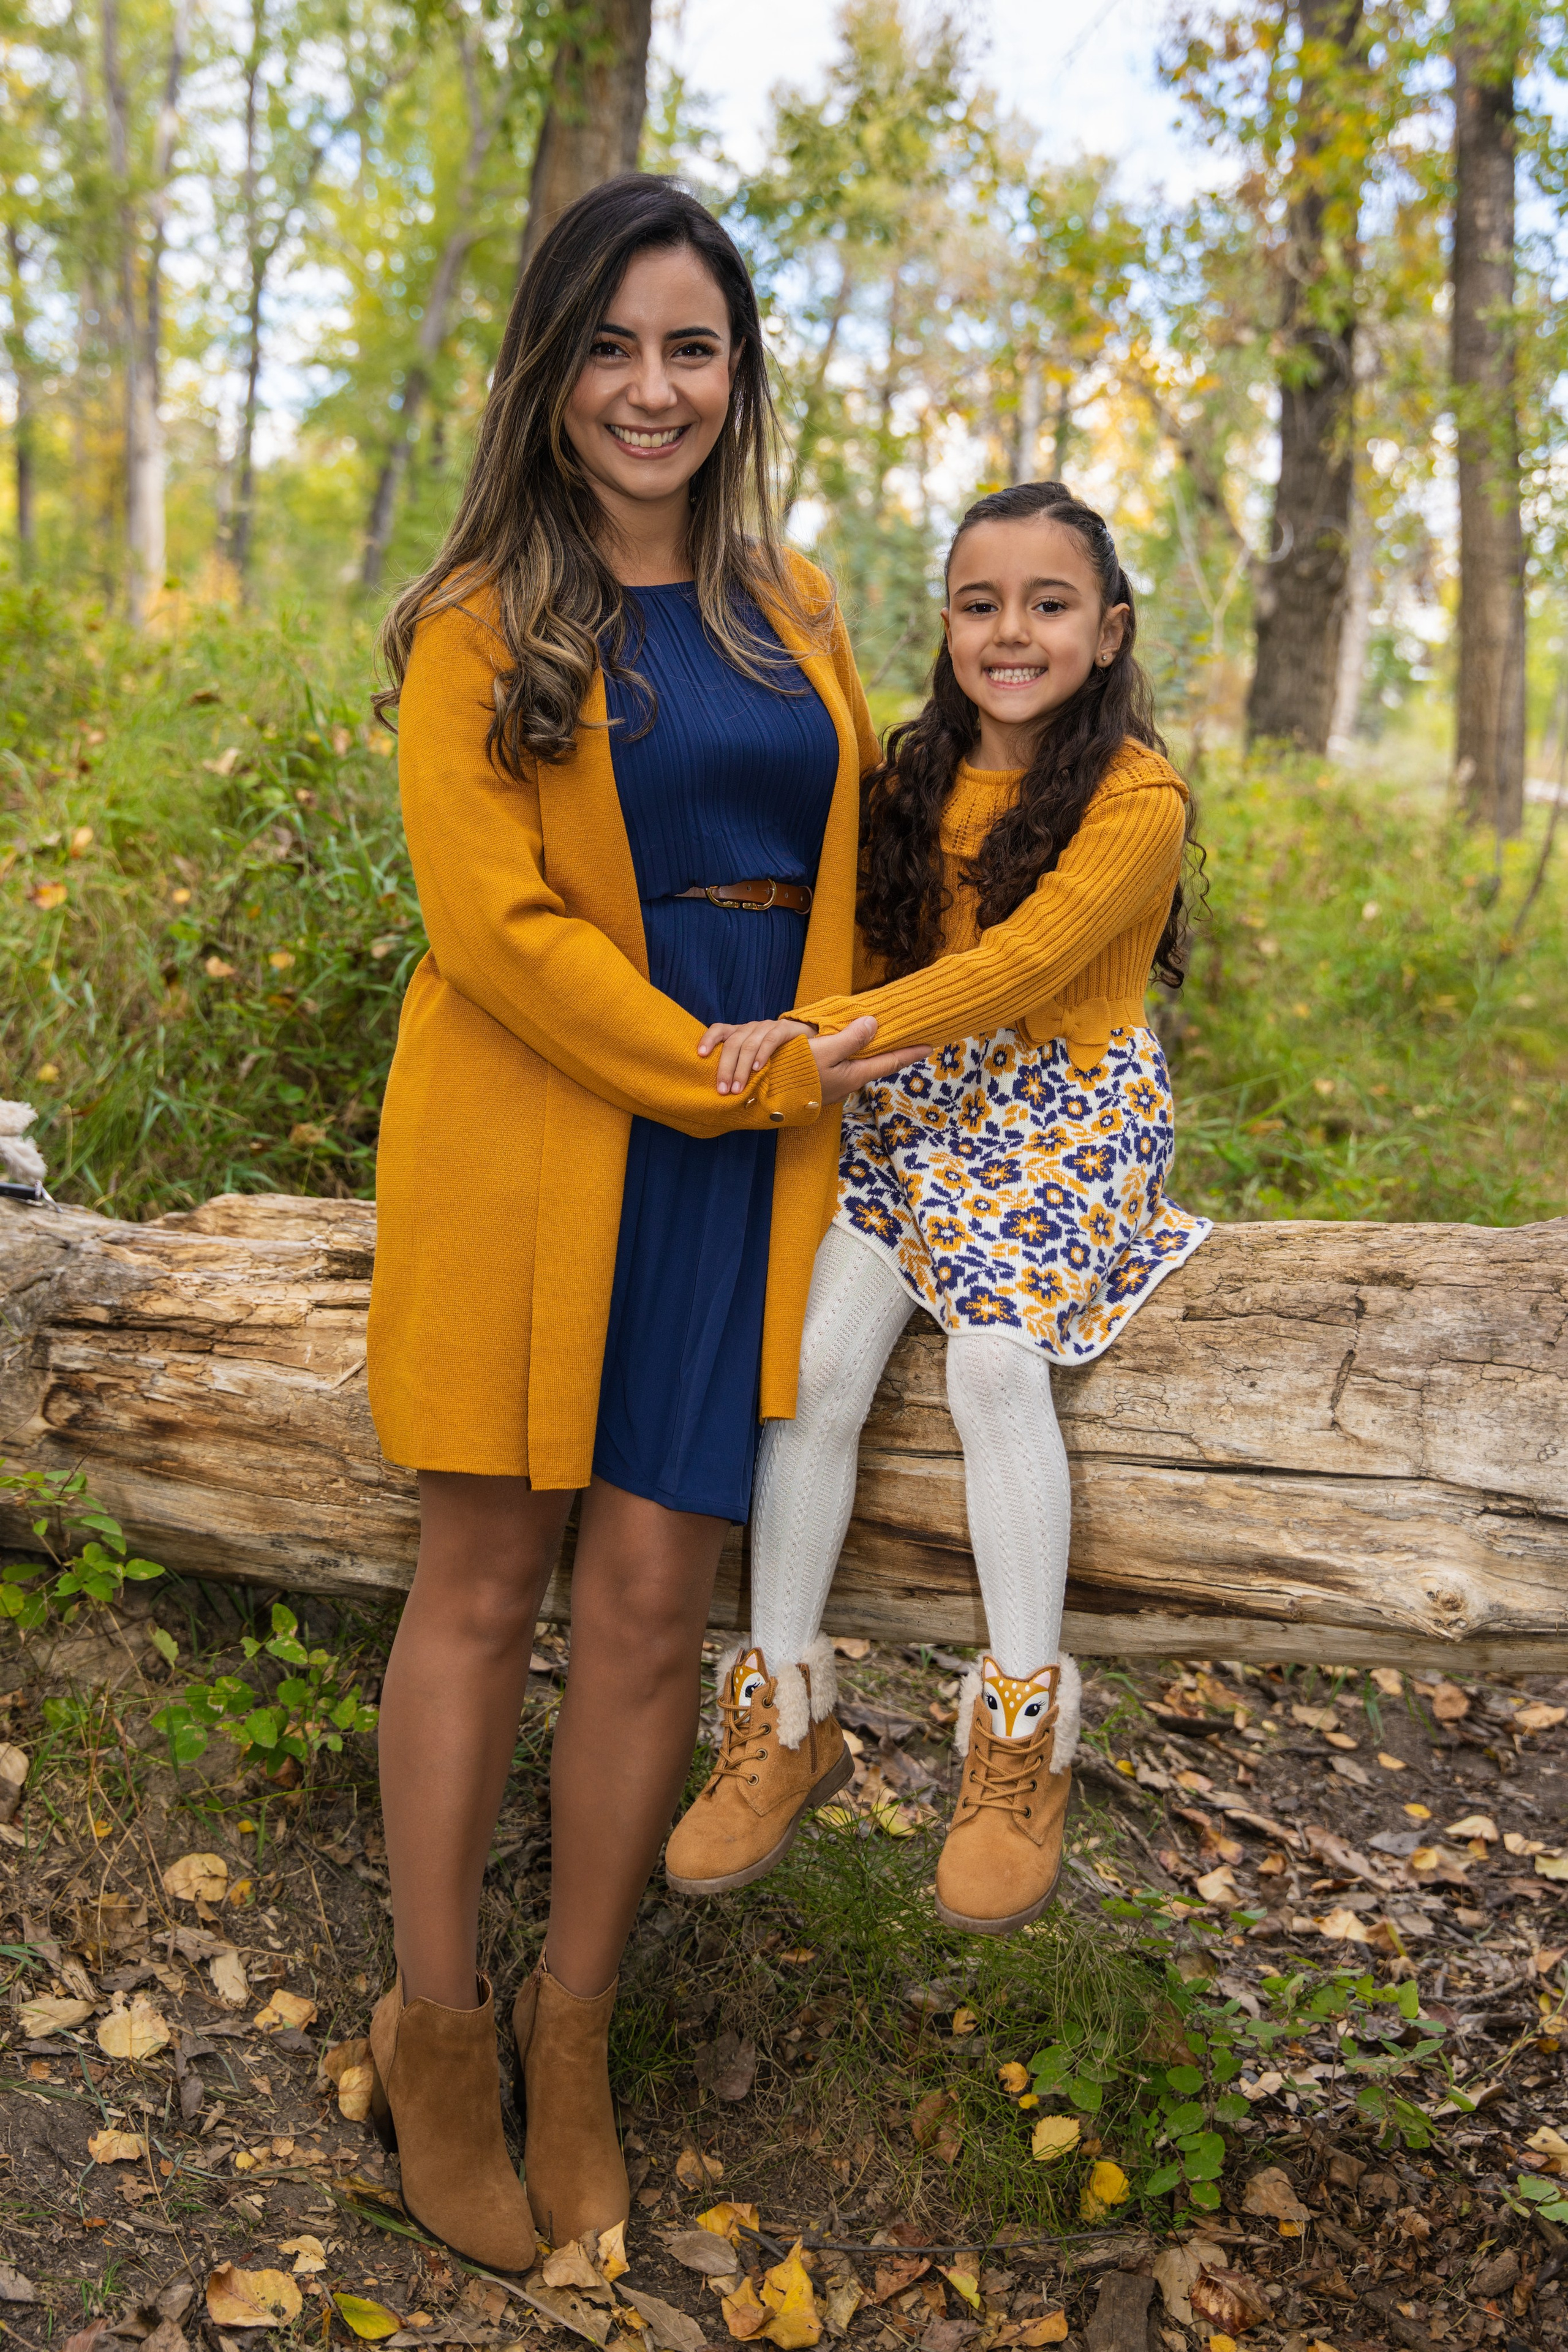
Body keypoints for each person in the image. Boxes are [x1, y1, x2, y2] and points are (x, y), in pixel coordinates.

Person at [363, 173, 919, 2273]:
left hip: (746, 1156)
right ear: (549, 368)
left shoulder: (801, 603)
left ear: (739, 375)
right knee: (490, 1588)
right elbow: (496, 932)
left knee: (656, 1608)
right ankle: (433, 2032)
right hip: (538, 1135)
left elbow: (867, 875)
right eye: (611, 344)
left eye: (692, 347)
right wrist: (727, 1063)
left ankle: (573, 2036)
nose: (651, 388)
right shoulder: (475, 625)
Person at [665, 480, 1210, 1934]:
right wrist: (795, 1034)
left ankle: (1018, 1730)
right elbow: (852, 928)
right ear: (947, 625)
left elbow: (1017, 973)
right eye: (980, 605)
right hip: (915, 1110)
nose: (1009, 633)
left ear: (1107, 631)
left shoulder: (1133, 797)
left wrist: (809, 1036)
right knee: (816, 1369)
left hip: (1067, 1111)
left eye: (1046, 605)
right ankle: (782, 1709)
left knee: (989, 1361)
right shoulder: (906, 779)